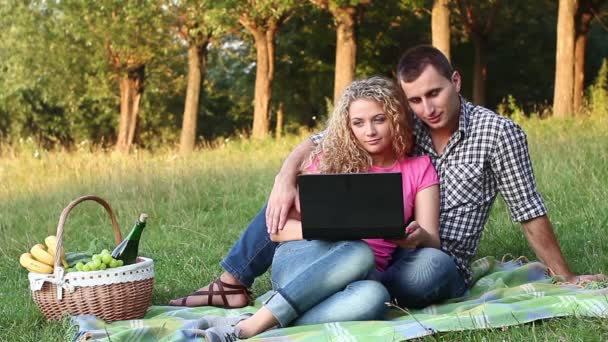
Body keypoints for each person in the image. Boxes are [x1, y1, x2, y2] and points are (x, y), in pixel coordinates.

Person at [170, 45, 605, 310]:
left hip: (431, 257)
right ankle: (233, 283)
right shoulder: (403, 122)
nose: (426, 108)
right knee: (300, 208)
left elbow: (528, 211)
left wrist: (563, 277)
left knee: (428, 271)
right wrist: (285, 174)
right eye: (414, 99)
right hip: (368, 245)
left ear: (456, 81)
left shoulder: (499, 133)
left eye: (434, 93)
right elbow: (323, 139)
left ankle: (344, 288)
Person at [189, 76, 458, 341]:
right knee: (359, 250)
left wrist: (415, 237)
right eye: (358, 123)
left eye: (379, 119)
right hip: (305, 261)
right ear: (347, 126)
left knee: (376, 298)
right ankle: (250, 328)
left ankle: (264, 319)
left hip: (366, 277)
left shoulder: (419, 167)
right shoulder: (328, 160)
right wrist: (329, 230)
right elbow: (278, 232)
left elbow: (432, 240)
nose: (370, 131)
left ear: (395, 118)